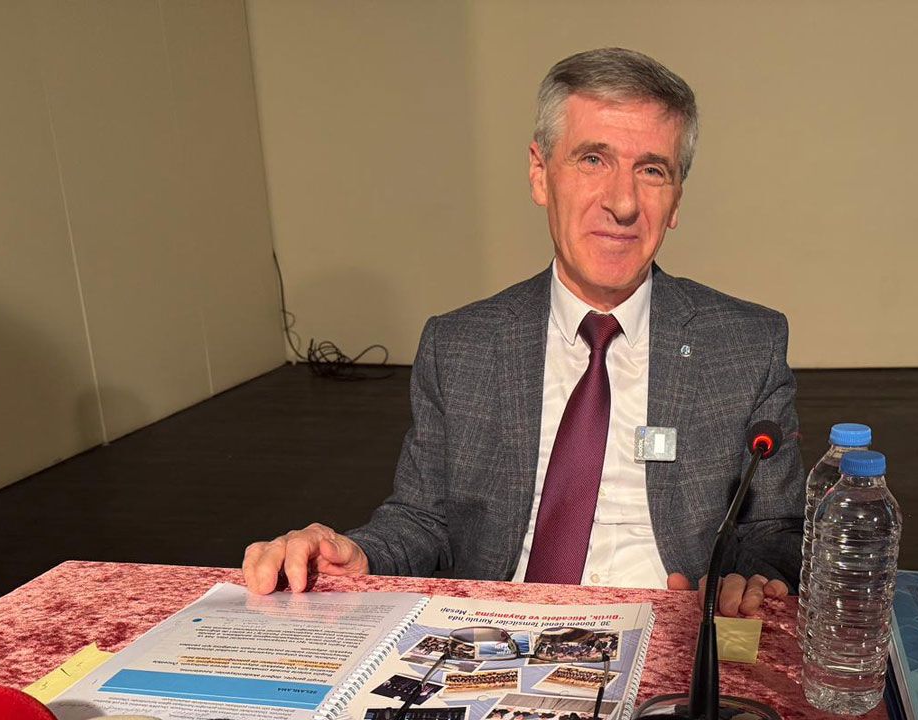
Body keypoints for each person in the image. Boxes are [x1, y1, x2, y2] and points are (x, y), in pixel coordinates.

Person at [243, 48, 803, 617]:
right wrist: (357, 553)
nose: (622, 202)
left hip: (673, 635)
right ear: (540, 174)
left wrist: (747, 580)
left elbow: (775, 532)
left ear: (676, 197)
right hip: (496, 635)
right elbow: (424, 520)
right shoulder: (460, 347)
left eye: (652, 171)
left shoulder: (745, 346)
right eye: (593, 160)